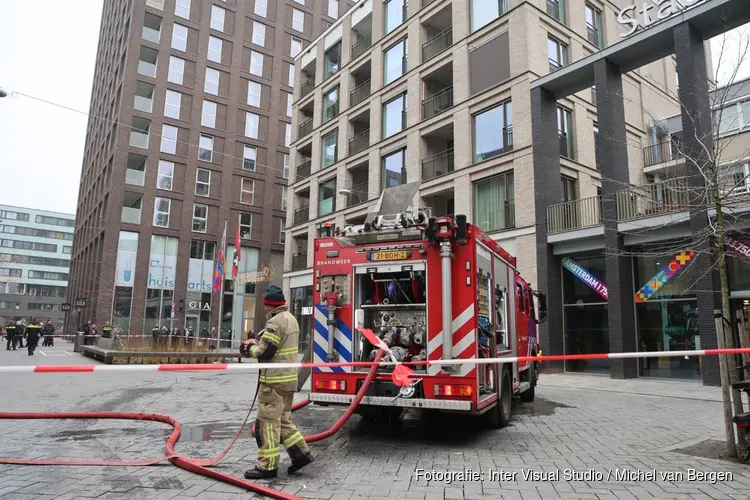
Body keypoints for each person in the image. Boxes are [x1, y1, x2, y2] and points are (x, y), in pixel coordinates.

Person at [241, 285, 313, 479]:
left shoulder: (274, 322)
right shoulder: (291, 319)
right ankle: (301, 455)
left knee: (268, 424)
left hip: (273, 383)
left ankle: (267, 466)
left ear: (269, 305)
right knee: (284, 421)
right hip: (288, 381)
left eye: (265, 305)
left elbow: (266, 352)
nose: (264, 309)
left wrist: (251, 349)